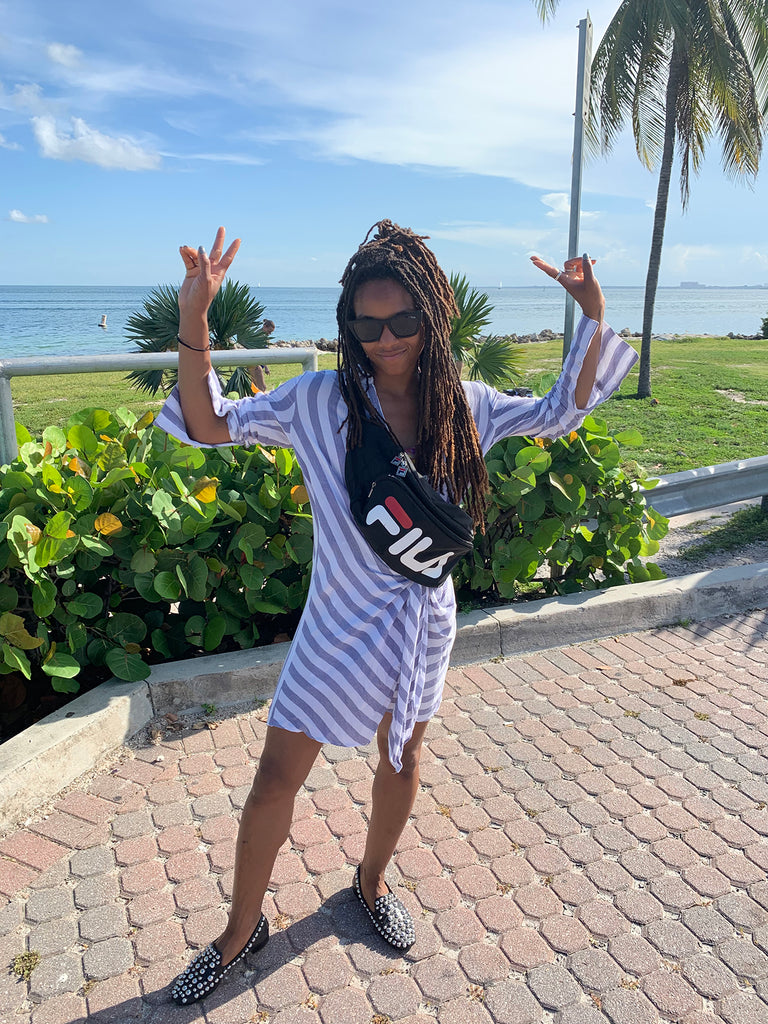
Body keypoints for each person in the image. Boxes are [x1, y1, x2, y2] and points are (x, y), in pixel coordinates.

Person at [156, 222, 637, 1006]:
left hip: (420, 622)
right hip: (337, 623)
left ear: (433, 319)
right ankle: (241, 929)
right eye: (367, 324)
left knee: (404, 761)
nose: (386, 340)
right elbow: (211, 425)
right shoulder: (318, 403)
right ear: (347, 326)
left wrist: (591, 310)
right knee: (275, 779)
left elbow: (557, 412)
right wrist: (196, 315)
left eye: (404, 322)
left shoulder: (467, 407)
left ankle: (371, 884)